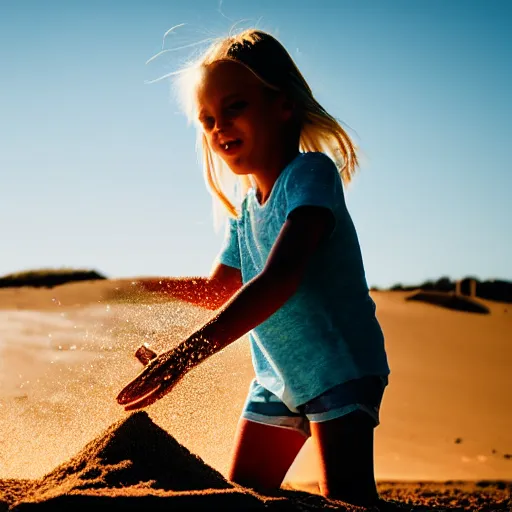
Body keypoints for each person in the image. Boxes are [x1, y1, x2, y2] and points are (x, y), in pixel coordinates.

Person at [117, 29, 391, 508]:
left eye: (234, 107)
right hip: (276, 378)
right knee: (242, 497)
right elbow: (220, 289)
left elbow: (280, 279)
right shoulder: (245, 211)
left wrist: (185, 357)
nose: (218, 126)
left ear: (282, 104)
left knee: (349, 501)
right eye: (206, 120)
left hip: (339, 367)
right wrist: (140, 288)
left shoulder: (310, 174)